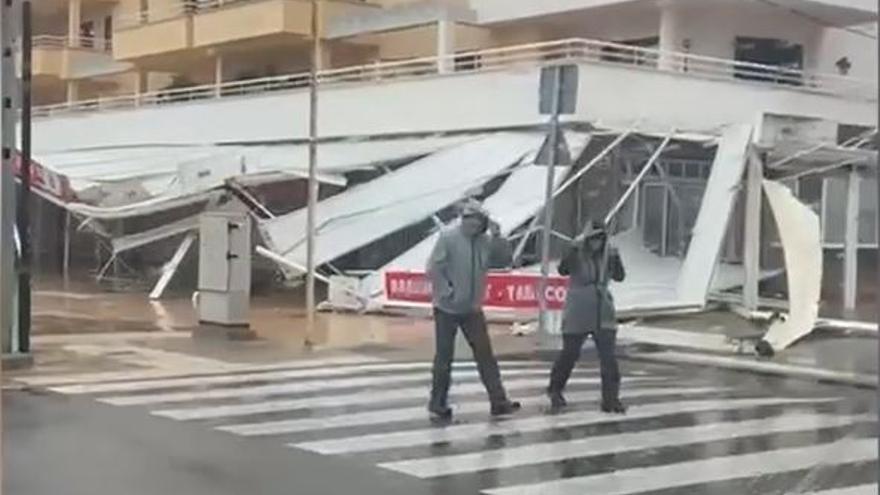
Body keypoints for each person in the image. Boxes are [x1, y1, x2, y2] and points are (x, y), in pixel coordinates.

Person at [426, 201, 521, 422]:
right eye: (469, 221)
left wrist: (498, 238)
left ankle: (498, 401)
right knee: (444, 357)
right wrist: (447, 291)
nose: (473, 226)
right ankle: (437, 402)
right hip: (447, 308)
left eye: (478, 222)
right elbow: (433, 267)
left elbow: (503, 260)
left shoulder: (484, 242)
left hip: (472, 307)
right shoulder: (449, 238)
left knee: (485, 355)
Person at [548, 219, 627, 414]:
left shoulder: (609, 254)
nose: (596, 243)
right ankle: (555, 389)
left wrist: (615, 259)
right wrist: (572, 250)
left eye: (600, 239)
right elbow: (563, 270)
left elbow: (619, 276)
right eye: (593, 239)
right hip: (579, 308)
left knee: (609, 357)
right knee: (570, 353)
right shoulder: (577, 252)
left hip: (603, 308)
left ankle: (611, 398)